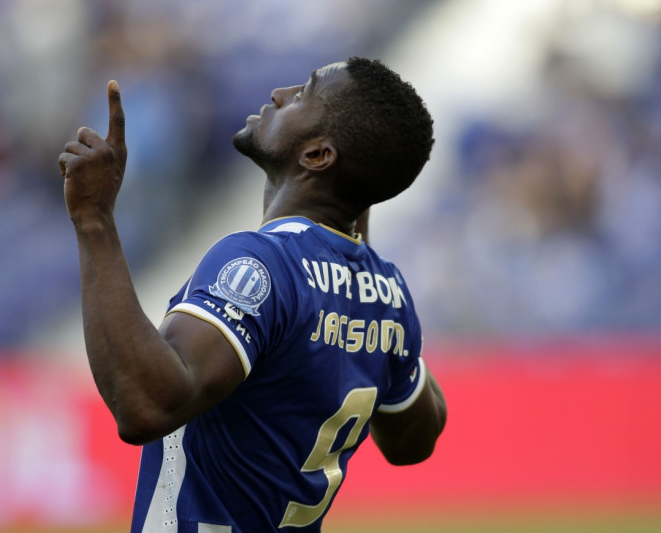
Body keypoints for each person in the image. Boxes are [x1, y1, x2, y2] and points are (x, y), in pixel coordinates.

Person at [59, 56, 446, 532]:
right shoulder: (387, 295)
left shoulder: (260, 262)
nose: (281, 93)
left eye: (303, 94)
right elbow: (415, 441)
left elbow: (146, 407)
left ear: (317, 156)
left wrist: (94, 219)